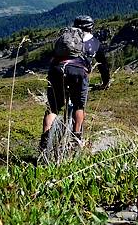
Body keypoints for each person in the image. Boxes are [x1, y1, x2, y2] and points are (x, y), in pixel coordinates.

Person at [39, 15, 110, 151]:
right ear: (91, 27)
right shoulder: (94, 42)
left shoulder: (65, 37)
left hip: (57, 70)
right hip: (78, 73)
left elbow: (53, 55)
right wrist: (105, 82)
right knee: (78, 106)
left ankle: (44, 140)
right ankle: (76, 140)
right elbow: (103, 66)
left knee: (53, 107)